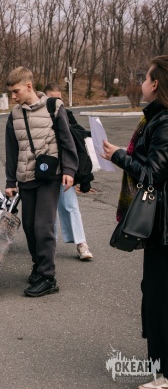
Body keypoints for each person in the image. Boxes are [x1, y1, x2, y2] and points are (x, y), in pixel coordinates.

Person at [101, 55, 168, 389]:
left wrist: (119, 156)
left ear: (155, 84)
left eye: (145, 77)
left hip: (164, 227)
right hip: (161, 225)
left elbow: (154, 175)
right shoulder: (156, 118)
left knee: (159, 298)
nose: (141, 82)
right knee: (154, 294)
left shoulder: (164, 122)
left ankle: (165, 374)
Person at [5, 66, 78, 297]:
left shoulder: (53, 107)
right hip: (25, 178)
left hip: (49, 176)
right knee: (29, 227)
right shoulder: (14, 115)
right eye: (10, 92)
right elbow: (11, 150)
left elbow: (67, 140)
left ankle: (48, 277)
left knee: (43, 226)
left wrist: (69, 169)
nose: (13, 96)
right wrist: (10, 180)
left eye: (16, 91)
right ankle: (38, 265)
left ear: (29, 86)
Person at [43, 83, 93, 260]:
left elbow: (77, 136)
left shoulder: (66, 113)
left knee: (71, 206)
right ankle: (49, 246)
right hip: (45, 169)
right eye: (53, 98)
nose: (57, 102)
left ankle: (81, 244)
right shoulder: (40, 116)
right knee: (47, 210)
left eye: (59, 98)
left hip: (64, 168)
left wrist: (88, 133)